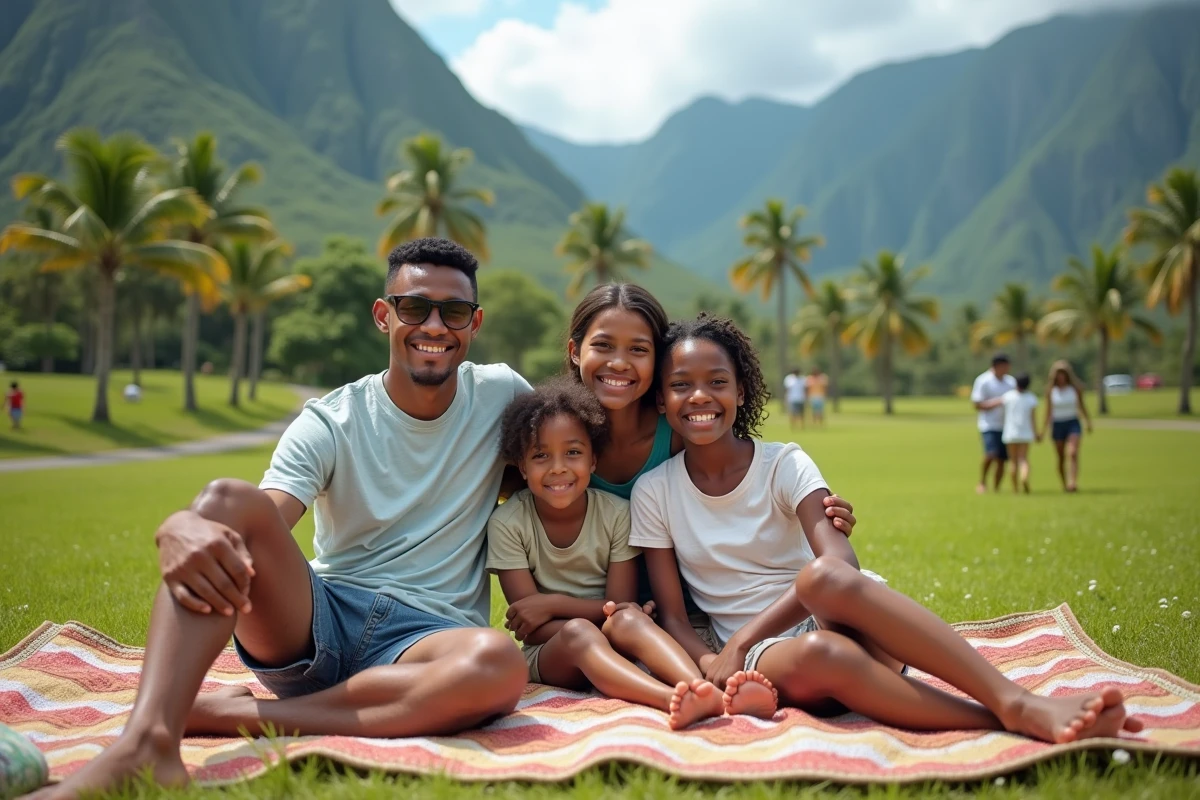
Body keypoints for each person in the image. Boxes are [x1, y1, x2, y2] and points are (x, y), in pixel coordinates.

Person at [31, 239, 532, 800]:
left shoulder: (503, 395)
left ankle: (245, 717)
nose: (434, 325)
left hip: (428, 640)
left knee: (497, 661)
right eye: (414, 307)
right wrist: (183, 522)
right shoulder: (332, 419)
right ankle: (147, 742)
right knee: (224, 499)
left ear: (475, 323)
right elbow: (260, 518)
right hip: (318, 619)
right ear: (383, 315)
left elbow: (578, 460)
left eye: (454, 312)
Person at [622, 313, 1139, 742]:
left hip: (836, 614)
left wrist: (743, 642)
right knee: (826, 653)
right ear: (662, 400)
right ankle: (1009, 718)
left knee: (822, 577)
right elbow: (671, 612)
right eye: (680, 385)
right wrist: (721, 656)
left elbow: (840, 564)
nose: (699, 397)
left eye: (717, 382)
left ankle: (1015, 698)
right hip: (769, 654)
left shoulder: (783, 463)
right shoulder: (656, 491)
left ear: (741, 390)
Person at [562, 284, 858, 613]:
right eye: (603, 345)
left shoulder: (681, 431)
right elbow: (518, 503)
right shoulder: (556, 440)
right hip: (598, 610)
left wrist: (817, 512)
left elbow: (747, 482)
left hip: (695, 610)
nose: (619, 363)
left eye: (638, 349)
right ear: (575, 351)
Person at [488, 378, 726, 729]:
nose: (558, 468)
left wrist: (552, 603)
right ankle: (670, 700)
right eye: (541, 455)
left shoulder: (615, 514)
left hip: (612, 632)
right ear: (522, 467)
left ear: (593, 459)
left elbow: (622, 605)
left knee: (631, 620)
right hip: (555, 652)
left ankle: (699, 688)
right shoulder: (509, 523)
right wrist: (578, 616)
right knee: (580, 633)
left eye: (573, 452)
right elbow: (531, 628)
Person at [1043, 360, 1093, 493]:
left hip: (1072, 422)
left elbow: (1082, 406)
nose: (1061, 377)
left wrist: (1088, 421)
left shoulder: (1075, 389)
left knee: (1073, 452)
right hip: (1058, 424)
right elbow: (1048, 412)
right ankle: (1064, 483)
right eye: (1059, 374)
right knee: (1060, 457)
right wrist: (1044, 430)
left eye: (1063, 374)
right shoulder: (1051, 391)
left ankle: (1073, 482)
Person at [970, 354, 1015, 494]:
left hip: (1007, 425)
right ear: (996, 366)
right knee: (991, 454)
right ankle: (983, 481)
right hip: (988, 424)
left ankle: (997, 488)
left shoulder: (1011, 382)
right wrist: (998, 402)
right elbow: (977, 404)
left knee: (1002, 459)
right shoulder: (983, 381)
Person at [1001, 374, 1040, 494]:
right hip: (1025, 433)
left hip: (1010, 432)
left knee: (1013, 461)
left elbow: (1003, 414)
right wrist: (1036, 433)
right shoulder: (1031, 398)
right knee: (1023, 459)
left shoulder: (1008, 397)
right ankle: (1024, 477)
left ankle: (1015, 488)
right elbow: (1033, 419)